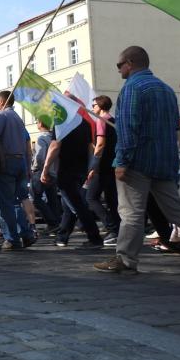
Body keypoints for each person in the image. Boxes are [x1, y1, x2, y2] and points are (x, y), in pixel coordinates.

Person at [95, 46, 180, 273]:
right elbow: (176, 129)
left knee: (131, 213)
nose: (118, 71)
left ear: (130, 63)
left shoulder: (132, 88)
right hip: (164, 161)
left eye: (119, 65)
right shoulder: (166, 90)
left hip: (137, 162)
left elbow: (128, 128)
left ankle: (125, 259)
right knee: (176, 211)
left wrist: (122, 161)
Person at [41, 96, 104, 249]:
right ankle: (62, 237)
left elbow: (55, 146)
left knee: (77, 206)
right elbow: (90, 147)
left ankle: (95, 238)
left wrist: (45, 169)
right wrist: (90, 167)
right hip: (81, 170)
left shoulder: (62, 123)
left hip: (66, 170)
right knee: (69, 204)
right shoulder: (84, 123)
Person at [0, 90, 36, 251]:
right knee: (16, 202)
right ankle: (26, 234)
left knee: (4, 203)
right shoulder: (18, 118)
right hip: (20, 162)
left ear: (1, 102)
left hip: (6, 162)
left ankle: (11, 238)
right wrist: (28, 167)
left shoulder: (1, 116)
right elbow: (27, 145)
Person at [86, 95, 120, 245]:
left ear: (100, 106)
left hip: (102, 165)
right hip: (113, 163)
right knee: (112, 199)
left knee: (91, 197)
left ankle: (111, 228)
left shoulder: (101, 120)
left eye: (94, 105)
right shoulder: (113, 120)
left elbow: (100, 145)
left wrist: (93, 165)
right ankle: (118, 230)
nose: (92, 107)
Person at [30, 119, 61, 231]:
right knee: (52, 198)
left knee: (36, 198)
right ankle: (56, 222)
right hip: (53, 172)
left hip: (41, 172)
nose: (37, 123)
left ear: (41, 123)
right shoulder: (54, 138)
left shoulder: (41, 138)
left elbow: (39, 156)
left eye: (37, 121)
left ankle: (52, 222)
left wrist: (34, 168)